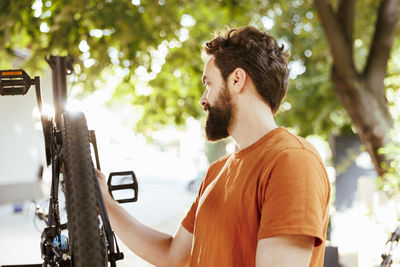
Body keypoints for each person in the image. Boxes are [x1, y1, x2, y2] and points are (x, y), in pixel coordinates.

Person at [96, 26, 330, 267]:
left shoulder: (292, 161)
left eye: (209, 83)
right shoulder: (216, 172)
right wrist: (105, 202)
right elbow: (173, 256)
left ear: (237, 80)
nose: (203, 99)